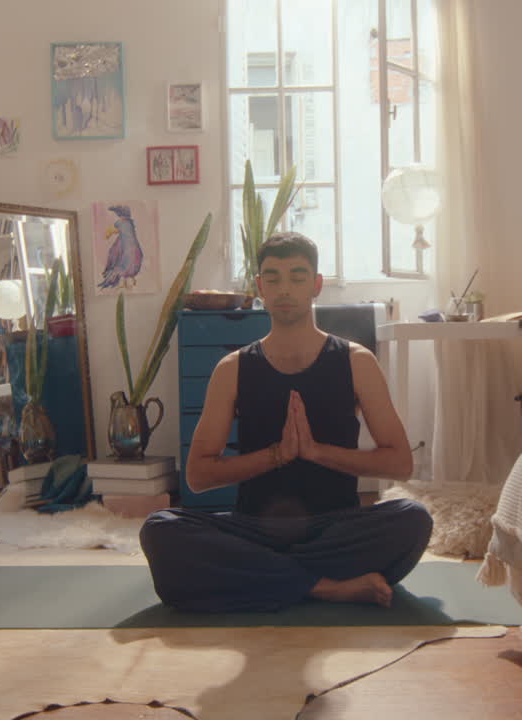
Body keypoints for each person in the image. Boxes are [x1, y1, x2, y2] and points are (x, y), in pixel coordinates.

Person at [139, 232, 432, 612]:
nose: (285, 288)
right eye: (272, 278)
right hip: (255, 530)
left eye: (297, 276)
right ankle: (325, 587)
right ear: (259, 287)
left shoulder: (356, 362)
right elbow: (197, 475)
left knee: (413, 518)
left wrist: (316, 452)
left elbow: (400, 463)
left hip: (336, 527)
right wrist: (278, 454)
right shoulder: (233, 369)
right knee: (160, 530)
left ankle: (264, 579)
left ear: (316, 285)